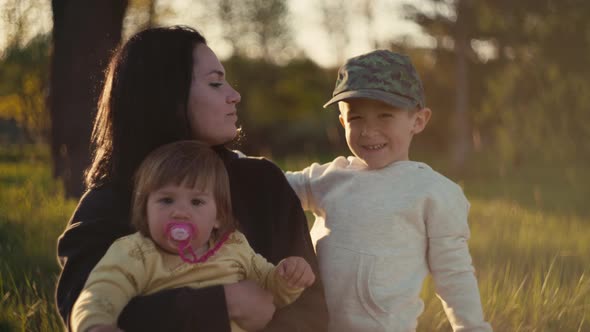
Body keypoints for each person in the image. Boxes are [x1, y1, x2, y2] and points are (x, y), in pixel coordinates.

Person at [56, 25, 328, 332]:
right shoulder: (110, 202)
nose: (234, 95)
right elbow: (86, 308)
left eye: (198, 200)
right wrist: (224, 302)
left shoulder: (264, 183)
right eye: (215, 84)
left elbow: (308, 307)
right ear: (166, 95)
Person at [284, 50, 492, 331]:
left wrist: (472, 327)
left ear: (417, 121)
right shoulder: (329, 177)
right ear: (343, 122)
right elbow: (271, 186)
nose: (369, 131)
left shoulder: (433, 193)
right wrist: (228, 162)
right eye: (356, 118)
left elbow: (453, 274)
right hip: (309, 323)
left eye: (385, 116)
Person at [71, 141, 315, 332]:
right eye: (166, 200)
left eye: (196, 201)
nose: (179, 212)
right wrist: (96, 325)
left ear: (218, 215)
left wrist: (288, 277)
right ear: (144, 209)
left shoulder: (234, 247)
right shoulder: (135, 252)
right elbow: (100, 292)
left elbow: (269, 287)